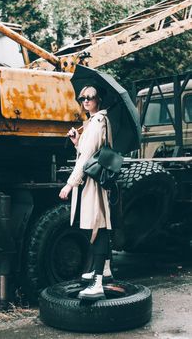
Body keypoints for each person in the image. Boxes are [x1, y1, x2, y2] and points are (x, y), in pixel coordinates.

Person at [59, 85, 113, 300]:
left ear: (98, 99)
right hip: (94, 180)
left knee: (97, 226)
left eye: (90, 97)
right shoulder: (93, 122)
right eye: (82, 98)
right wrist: (77, 142)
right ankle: (103, 269)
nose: (85, 101)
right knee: (96, 225)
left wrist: (70, 184)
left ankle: (98, 282)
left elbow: (86, 157)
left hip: (93, 182)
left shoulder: (99, 121)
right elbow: (88, 150)